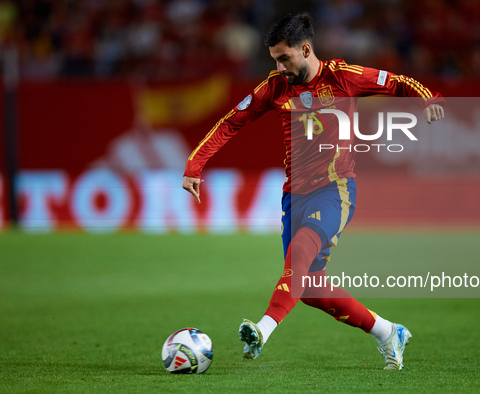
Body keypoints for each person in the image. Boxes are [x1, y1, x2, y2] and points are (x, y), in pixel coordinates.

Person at [182, 13, 444, 370]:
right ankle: (388, 332)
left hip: (335, 190)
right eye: (274, 58)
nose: (278, 66)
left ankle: (262, 330)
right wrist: (195, 166)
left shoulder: (343, 77)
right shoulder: (274, 87)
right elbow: (231, 122)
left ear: (306, 49)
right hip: (294, 196)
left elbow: (398, 81)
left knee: (301, 255)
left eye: (284, 58)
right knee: (310, 290)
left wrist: (429, 99)